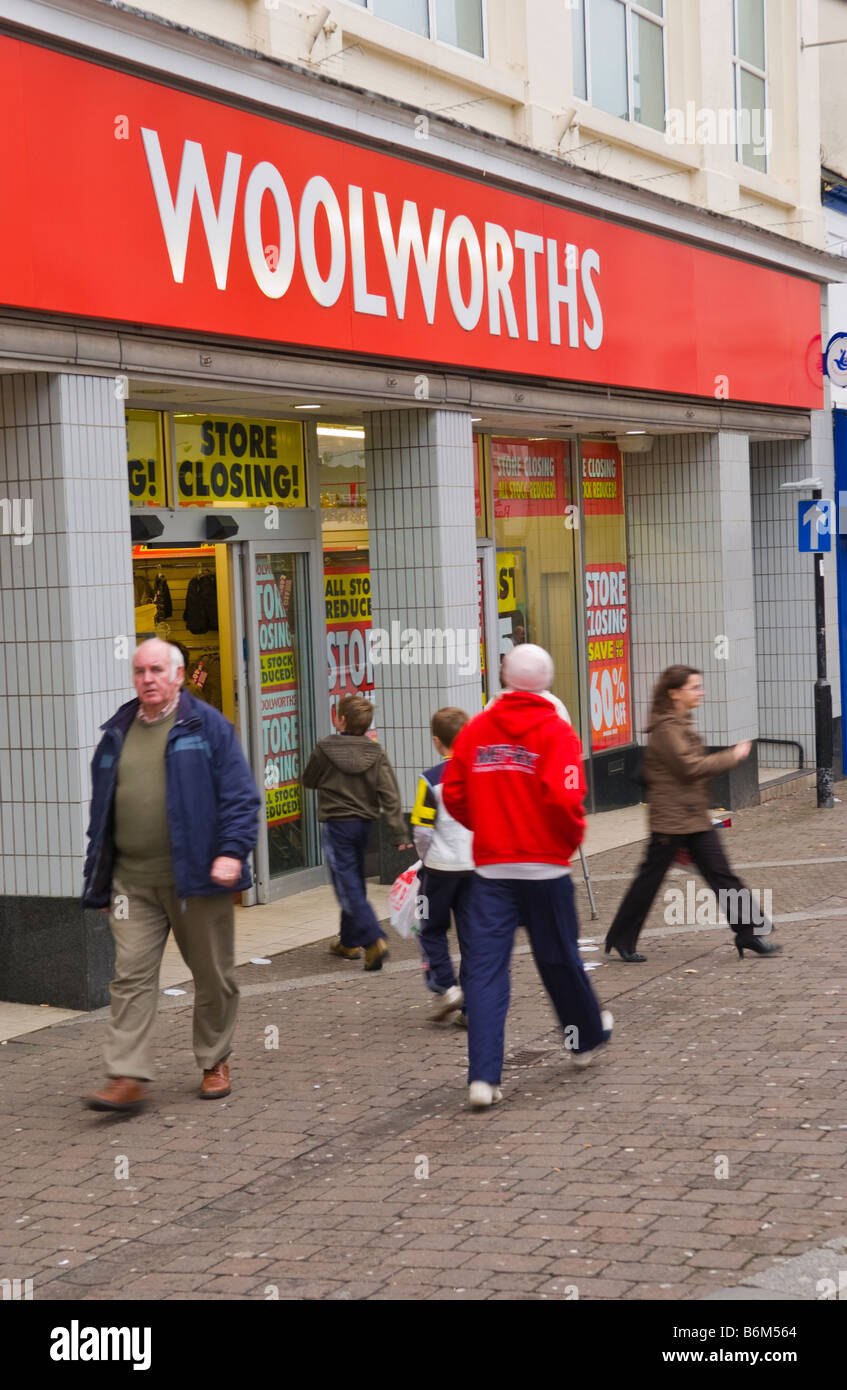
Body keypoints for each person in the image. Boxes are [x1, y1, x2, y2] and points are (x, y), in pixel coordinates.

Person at [83, 639, 261, 1112]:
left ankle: (214, 1060)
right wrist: (99, 878)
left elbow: (242, 797)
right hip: (132, 881)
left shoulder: (209, 728)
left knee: (212, 975)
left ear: (179, 676)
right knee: (131, 976)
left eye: (158, 670)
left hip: (198, 879)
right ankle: (127, 1074)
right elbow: (101, 811)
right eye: (141, 671)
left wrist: (230, 852)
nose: (148, 679)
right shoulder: (116, 731)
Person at [443, 644, 612, 1110]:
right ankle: (582, 1039)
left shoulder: (477, 729)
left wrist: (487, 826)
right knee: (558, 958)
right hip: (544, 866)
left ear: (504, 677)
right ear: (547, 681)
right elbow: (565, 799)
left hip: (491, 868)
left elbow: (454, 793)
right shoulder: (555, 730)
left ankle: (483, 1078)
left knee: (484, 971)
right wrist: (568, 839)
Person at [604, 664, 781, 964]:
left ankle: (749, 932)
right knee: (649, 881)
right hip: (671, 822)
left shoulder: (679, 723)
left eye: (700, 686)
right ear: (674, 693)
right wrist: (733, 756)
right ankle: (621, 938)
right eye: (694, 687)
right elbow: (690, 768)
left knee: (722, 875)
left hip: (692, 817)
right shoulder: (666, 729)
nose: (701, 692)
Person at [302, 694, 412, 971]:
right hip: (364, 825)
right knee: (353, 880)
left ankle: (373, 938)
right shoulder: (376, 753)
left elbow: (309, 779)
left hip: (337, 824)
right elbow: (390, 793)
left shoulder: (324, 748)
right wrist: (398, 832)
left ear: (340, 719)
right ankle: (348, 941)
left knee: (346, 884)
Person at [410, 707, 474, 1022]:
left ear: (437, 742)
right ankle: (471, 1007)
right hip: (474, 867)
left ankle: (448, 987)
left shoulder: (429, 780)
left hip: (438, 869)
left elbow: (421, 830)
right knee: (472, 934)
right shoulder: (479, 773)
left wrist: (425, 858)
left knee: (431, 927)